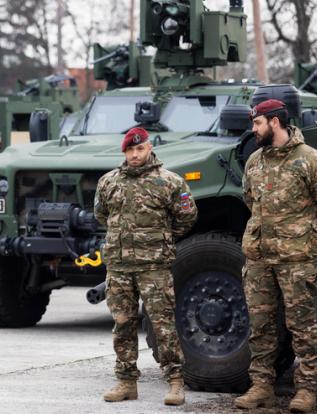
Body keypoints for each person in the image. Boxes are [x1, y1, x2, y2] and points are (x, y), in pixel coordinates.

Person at [235, 99, 317, 412]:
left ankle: (306, 390)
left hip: (296, 259)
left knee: (303, 326)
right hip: (258, 257)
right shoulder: (254, 161)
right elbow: (250, 200)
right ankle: (261, 387)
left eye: (257, 123)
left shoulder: (312, 160)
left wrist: (305, 235)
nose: (253, 129)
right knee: (261, 326)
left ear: (275, 122)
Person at [94, 126, 198, 405]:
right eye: (130, 150)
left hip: (154, 266)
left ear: (149, 148)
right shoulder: (108, 182)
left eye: (140, 149)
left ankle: (175, 382)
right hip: (119, 266)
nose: (135, 154)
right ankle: (126, 381)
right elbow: (101, 214)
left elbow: (186, 217)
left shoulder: (170, 182)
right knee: (123, 324)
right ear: (124, 152)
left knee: (163, 324)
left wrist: (160, 238)